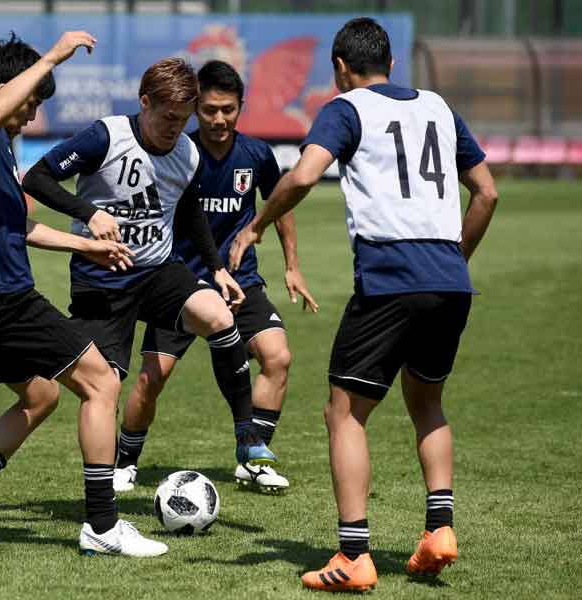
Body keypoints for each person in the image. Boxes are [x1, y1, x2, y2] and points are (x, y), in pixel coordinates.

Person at [229, 17, 498, 592]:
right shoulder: (439, 107)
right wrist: (456, 260)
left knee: (343, 412)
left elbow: (303, 176)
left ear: (340, 69)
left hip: (390, 278)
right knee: (427, 401)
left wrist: (255, 226)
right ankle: (439, 529)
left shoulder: (346, 107)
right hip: (448, 279)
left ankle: (354, 555)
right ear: (393, 64)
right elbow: (488, 191)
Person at [0, 31, 168, 558]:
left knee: (41, 395)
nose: (32, 117)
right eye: (32, 102)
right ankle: (103, 527)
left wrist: (85, 247)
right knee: (103, 383)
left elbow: (22, 229)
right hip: (1, 297)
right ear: (3, 88)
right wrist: (55, 55)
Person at [23, 57, 276, 473]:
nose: (175, 127)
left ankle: (247, 433)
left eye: (182, 118)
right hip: (101, 280)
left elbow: (192, 212)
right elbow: (38, 178)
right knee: (103, 387)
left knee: (218, 316)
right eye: (167, 117)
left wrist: (216, 269)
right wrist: (90, 214)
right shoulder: (106, 136)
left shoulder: (187, 153)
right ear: (144, 103)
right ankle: (113, 477)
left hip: (159, 272)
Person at [112, 60, 318, 494]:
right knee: (152, 379)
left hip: (242, 284)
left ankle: (253, 456)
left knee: (277, 357)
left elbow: (279, 208)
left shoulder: (257, 154)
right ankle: (124, 462)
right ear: (193, 108)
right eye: (208, 110)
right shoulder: (177, 153)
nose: (218, 119)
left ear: (240, 106)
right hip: (182, 285)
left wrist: (292, 265)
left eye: (227, 109)